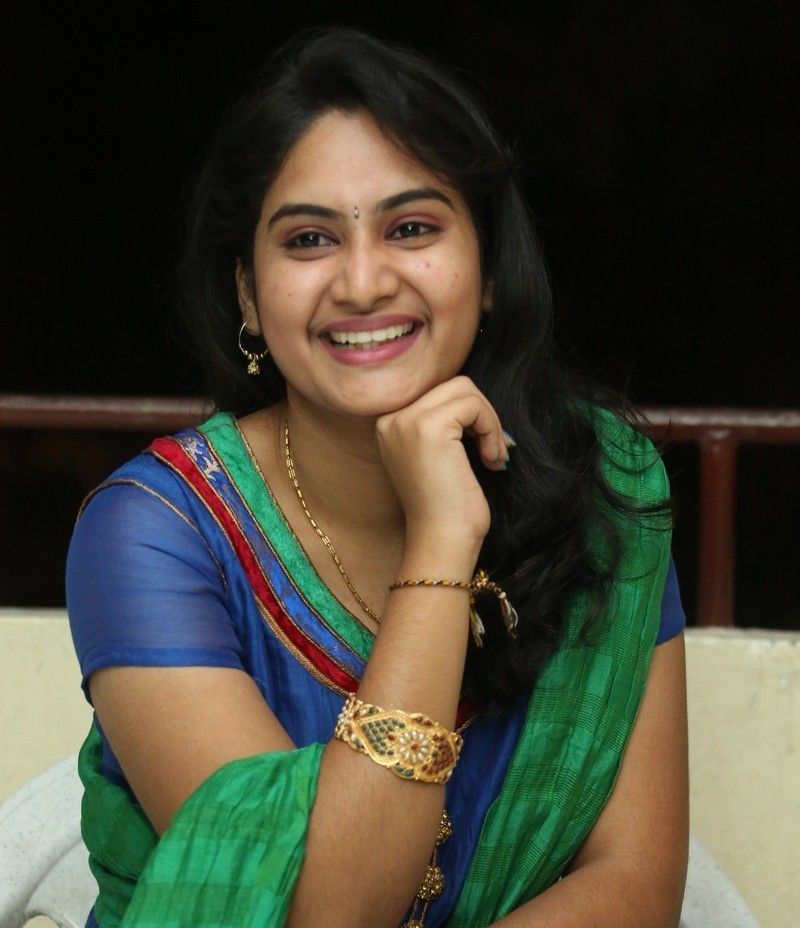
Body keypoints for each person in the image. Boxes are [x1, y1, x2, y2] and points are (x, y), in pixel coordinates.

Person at [66, 26, 688, 928]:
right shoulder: (154, 534)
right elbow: (320, 911)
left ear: (487, 270)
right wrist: (441, 540)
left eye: (411, 228)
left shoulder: (605, 487)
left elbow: (633, 883)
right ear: (248, 294)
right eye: (309, 239)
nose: (362, 283)